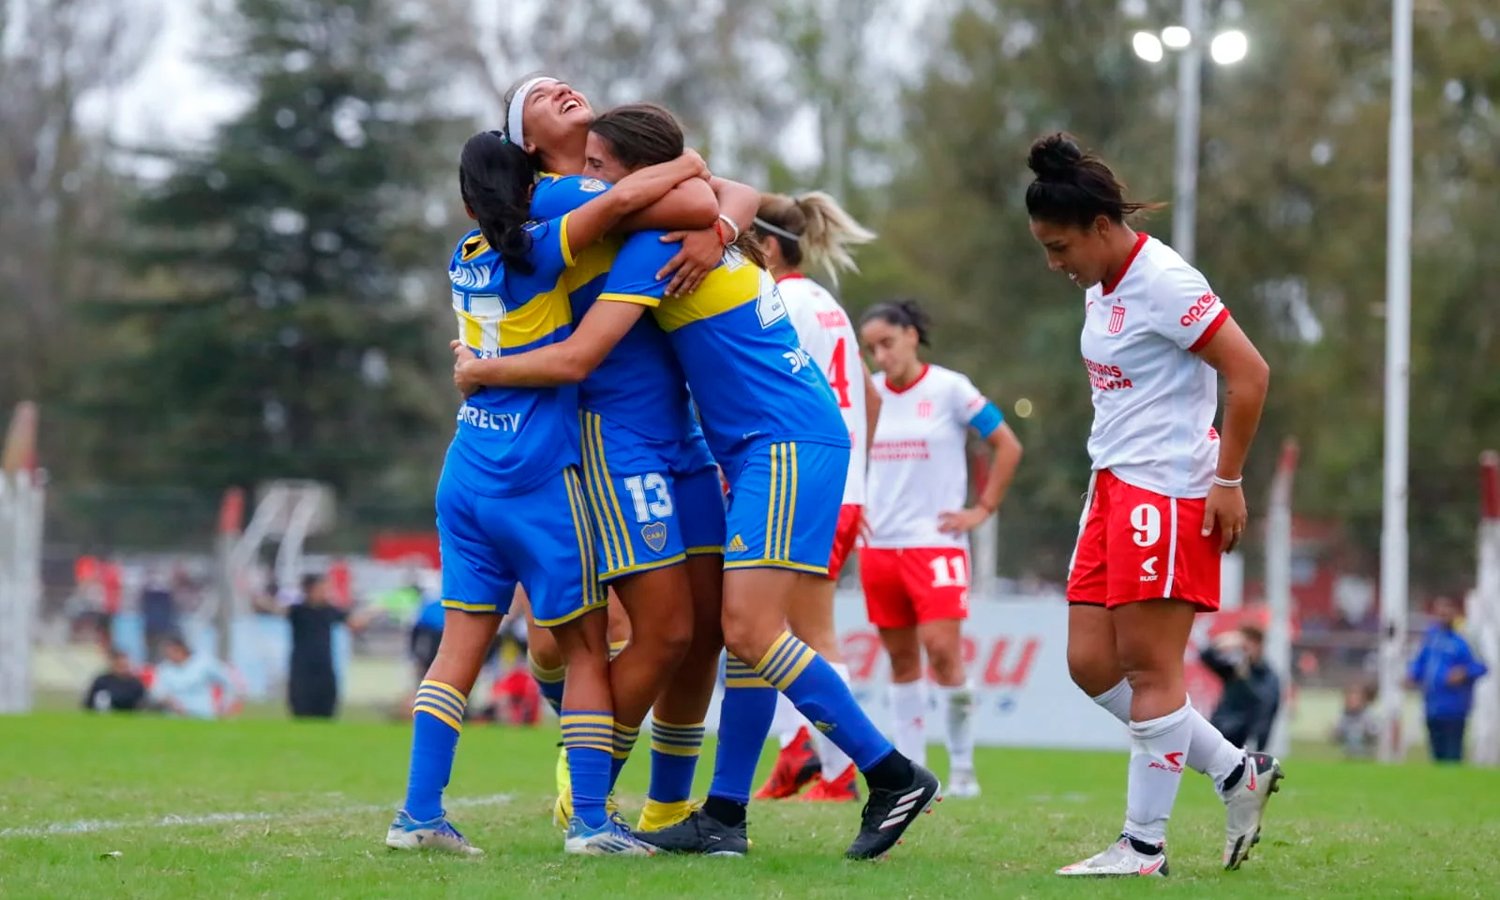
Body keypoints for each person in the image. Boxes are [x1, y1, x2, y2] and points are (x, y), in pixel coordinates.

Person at [453, 103, 939, 861]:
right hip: (758, 444)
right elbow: (723, 195)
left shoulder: (649, 237)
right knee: (729, 636)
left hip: (779, 441)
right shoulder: (600, 208)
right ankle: (724, 816)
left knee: (739, 630)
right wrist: (711, 210)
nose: (588, 180)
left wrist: (479, 369)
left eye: (598, 170)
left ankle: (890, 772)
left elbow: (584, 350)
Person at [386, 129, 706, 859]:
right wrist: (689, 166)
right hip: (533, 479)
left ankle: (418, 813)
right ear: (529, 190)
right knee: (589, 647)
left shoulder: (463, 258)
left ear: (468, 200)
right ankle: (592, 821)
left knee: (457, 650)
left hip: (465, 469)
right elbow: (624, 200)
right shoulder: (543, 247)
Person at [502, 75, 757, 836]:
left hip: (681, 435)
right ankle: (586, 778)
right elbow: (701, 198)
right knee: (659, 631)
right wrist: (696, 182)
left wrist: (721, 232)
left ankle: (669, 803)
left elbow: (738, 194)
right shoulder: (550, 194)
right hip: (613, 436)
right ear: (528, 142)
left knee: (707, 629)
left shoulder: (619, 172)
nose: (563, 88)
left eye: (564, 81)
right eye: (542, 95)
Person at [1023, 133, 1281, 877]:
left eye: (1060, 246)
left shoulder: (1163, 279)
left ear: (1103, 228)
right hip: (1110, 486)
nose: (1055, 263)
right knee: (1088, 663)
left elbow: (1251, 373)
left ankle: (1143, 848)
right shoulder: (1102, 283)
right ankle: (1236, 771)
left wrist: (1226, 480)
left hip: (1167, 490)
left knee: (1149, 669)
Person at [857, 298, 1023, 799]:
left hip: (935, 545)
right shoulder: (871, 394)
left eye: (887, 343)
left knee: (943, 652)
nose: (880, 356)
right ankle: (913, 777)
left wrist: (983, 508)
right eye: (871, 349)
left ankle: (964, 771)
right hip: (879, 546)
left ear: (911, 335)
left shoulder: (950, 388)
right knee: (901, 659)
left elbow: (1007, 444)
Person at [750, 190, 880, 804]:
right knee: (771, 627)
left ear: (770, 248)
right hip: (841, 482)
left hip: (810, 481)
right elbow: (870, 399)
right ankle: (795, 755)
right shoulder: (827, 303)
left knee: (804, 633)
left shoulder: (779, 300)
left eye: (747, 245)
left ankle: (838, 773)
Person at [255, 573, 375, 720]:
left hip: (323, 664)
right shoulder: (298, 611)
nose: (325, 592)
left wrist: (373, 611)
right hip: (302, 666)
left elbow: (354, 623)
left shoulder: (330, 611)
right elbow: (272, 608)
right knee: (301, 704)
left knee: (325, 704)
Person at [1408, 595, 1489, 763]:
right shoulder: (1431, 638)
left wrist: (1464, 673)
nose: (1442, 615)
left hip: (1455, 706)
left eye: (1446, 611)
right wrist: (1412, 675)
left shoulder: (1465, 638)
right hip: (1432, 704)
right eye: (1439, 612)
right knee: (1436, 752)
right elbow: (1420, 662)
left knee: (1452, 752)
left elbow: (1482, 666)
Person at [1200, 625, 1281, 751]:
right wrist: (1221, 641)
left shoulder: (1267, 675)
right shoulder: (1233, 667)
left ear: (1259, 645)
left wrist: (1245, 677)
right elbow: (1205, 656)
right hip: (1222, 730)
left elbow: (1263, 701)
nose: (1245, 651)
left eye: (1248, 646)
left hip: (1246, 737)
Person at [148, 634, 236, 720]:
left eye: (171, 651)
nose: (168, 655)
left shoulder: (203, 663)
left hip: (203, 715)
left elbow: (228, 683)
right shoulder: (164, 669)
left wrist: (224, 706)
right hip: (175, 717)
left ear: (181, 649)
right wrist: (170, 702)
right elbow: (156, 692)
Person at [82, 647, 147, 713]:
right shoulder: (102, 681)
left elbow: (141, 703)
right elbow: (89, 702)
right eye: (119, 665)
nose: (122, 668)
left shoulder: (135, 683)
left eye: (124, 665)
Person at [1331, 682, 1379, 759]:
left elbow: (1375, 735)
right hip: (1349, 755)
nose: (1352, 702)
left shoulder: (1368, 715)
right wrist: (1335, 734)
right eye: (1350, 698)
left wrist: (1367, 734)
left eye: (1356, 699)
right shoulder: (1343, 716)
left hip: (1366, 756)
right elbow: (1336, 737)